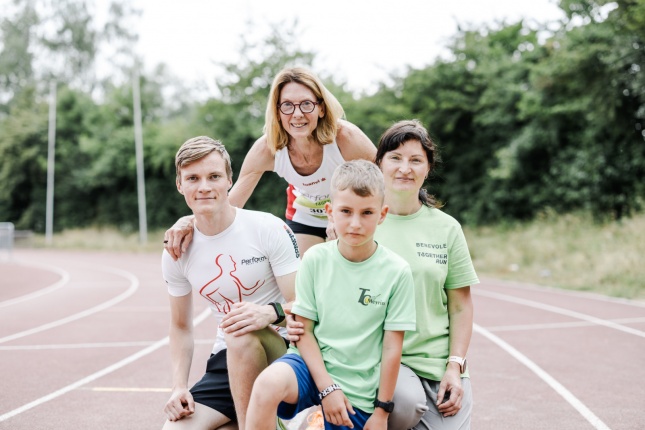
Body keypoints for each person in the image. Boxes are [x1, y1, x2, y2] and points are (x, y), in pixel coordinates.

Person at [289, 120, 479, 430]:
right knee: (404, 405)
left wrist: (455, 367)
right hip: (380, 360)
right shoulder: (356, 221)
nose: (405, 168)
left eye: (416, 160)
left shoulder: (448, 228)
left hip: (435, 363)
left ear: (428, 168)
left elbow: (460, 305)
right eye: (395, 158)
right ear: (379, 163)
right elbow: (324, 287)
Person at [245, 160, 417, 430]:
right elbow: (304, 332)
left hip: (356, 388)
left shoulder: (397, 271)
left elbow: (392, 347)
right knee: (266, 385)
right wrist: (327, 389)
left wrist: (382, 412)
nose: (355, 223)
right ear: (330, 212)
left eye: (367, 213)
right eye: (346, 211)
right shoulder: (315, 258)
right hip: (308, 368)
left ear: (382, 214)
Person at [163, 67, 376, 259]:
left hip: (351, 213)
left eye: (306, 104)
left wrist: (344, 214)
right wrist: (188, 221)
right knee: (304, 280)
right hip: (306, 217)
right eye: (287, 106)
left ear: (321, 108)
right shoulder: (267, 149)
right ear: (277, 111)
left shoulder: (345, 137)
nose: (298, 114)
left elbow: (383, 184)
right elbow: (231, 204)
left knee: (347, 270)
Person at [161, 136, 300, 430]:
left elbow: (306, 307)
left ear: (229, 180)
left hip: (284, 352)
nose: (204, 187)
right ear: (180, 185)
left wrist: (268, 313)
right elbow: (181, 326)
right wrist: (178, 387)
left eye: (214, 176)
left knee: (239, 327)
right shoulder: (176, 250)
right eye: (193, 178)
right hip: (227, 360)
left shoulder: (267, 228)